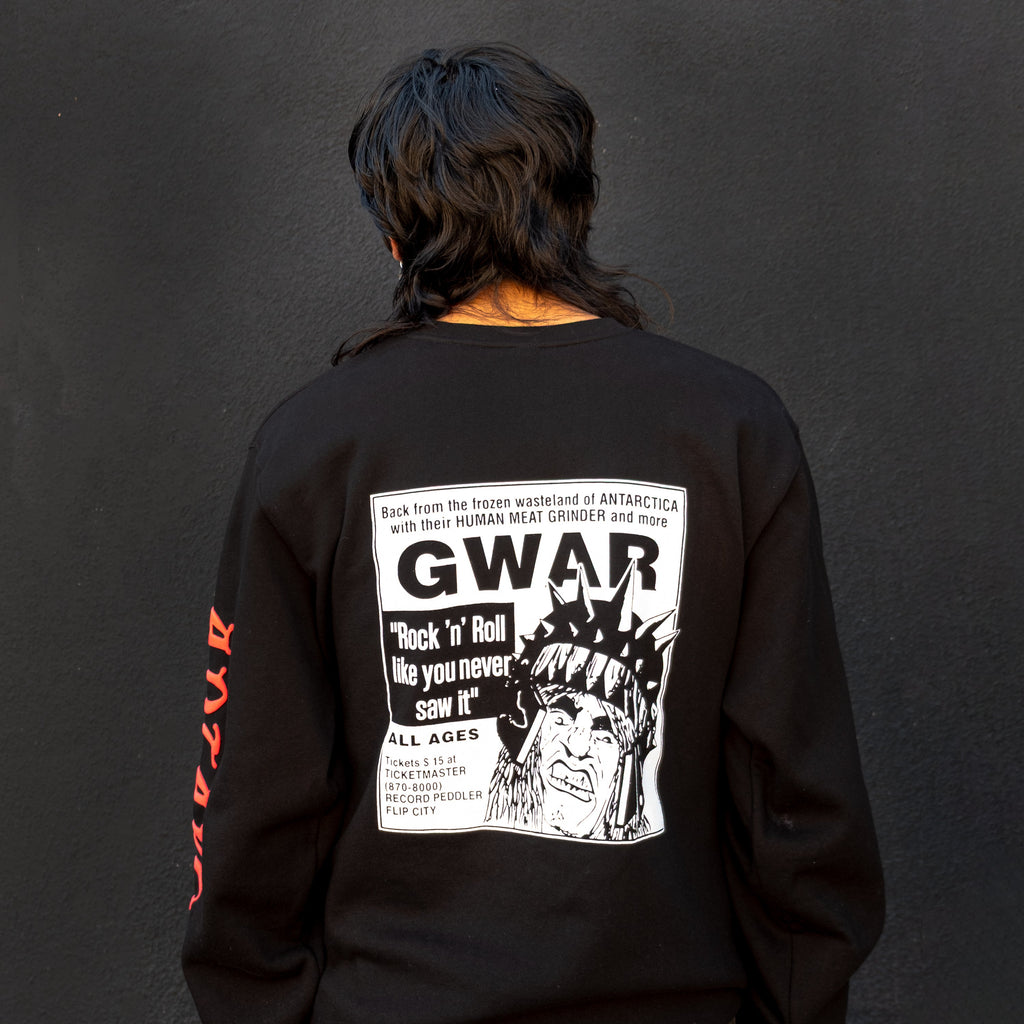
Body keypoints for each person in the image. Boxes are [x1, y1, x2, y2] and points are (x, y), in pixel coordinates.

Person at [182, 43, 884, 1024]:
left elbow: (254, 787)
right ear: (578, 208)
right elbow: (796, 783)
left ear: (393, 234)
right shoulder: (728, 427)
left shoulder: (313, 445)